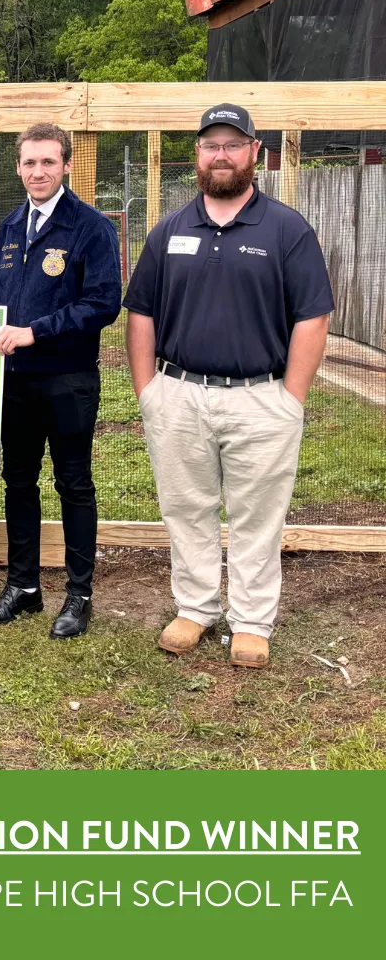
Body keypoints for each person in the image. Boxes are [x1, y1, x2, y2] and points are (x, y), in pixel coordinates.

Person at [124, 104, 333, 670]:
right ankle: (195, 608)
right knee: (185, 507)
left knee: (256, 515)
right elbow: (139, 313)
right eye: (210, 145)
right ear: (197, 155)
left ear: (254, 154)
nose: (221, 155)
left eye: (232, 145)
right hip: (179, 395)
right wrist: (149, 392)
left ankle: (251, 620)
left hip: (261, 398)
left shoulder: (287, 230)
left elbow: (312, 317)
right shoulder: (169, 230)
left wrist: (291, 398)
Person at [0, 123, 122, 639]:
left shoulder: (90, 227)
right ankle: (23, 587)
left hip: (68, 380)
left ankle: (79, 595)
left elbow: (105, 303)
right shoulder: (12, 225)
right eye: (28, 163)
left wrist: (34, 332)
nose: (37, 172)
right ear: (17, 167)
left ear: (66, 164)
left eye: (47, 162)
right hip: (15, 382)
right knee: (18, 482)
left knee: (73, 485)